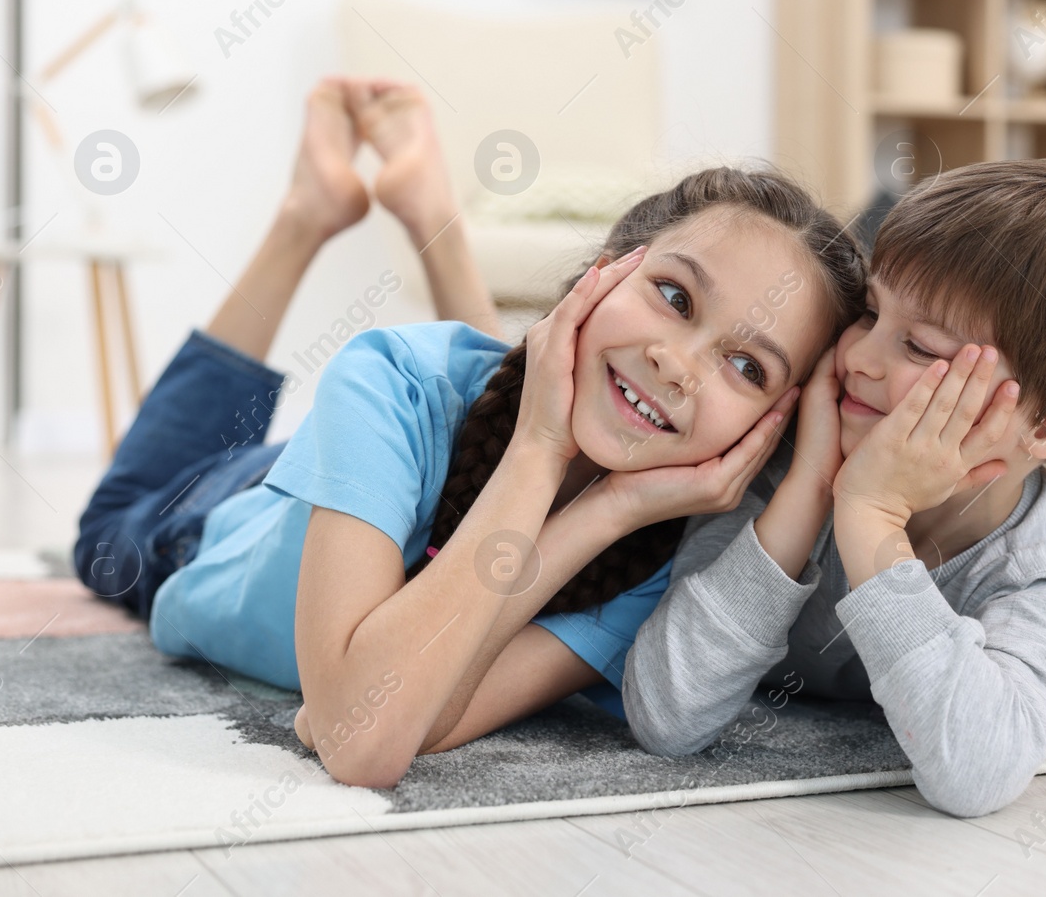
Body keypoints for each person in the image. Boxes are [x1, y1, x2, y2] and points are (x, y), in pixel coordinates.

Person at [73, 77, 867, 788]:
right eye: (675, 295)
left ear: (770, 428)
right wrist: (539, 445)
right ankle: (305, 216)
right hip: (220, 517)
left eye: (747, 367)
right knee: (106, 533)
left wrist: (605, 512)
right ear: (606, 269)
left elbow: (382, 724)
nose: (680, 364)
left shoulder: (647, 563)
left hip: (452, 459)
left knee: (522, 403)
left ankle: (428, 213)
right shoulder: (386, 375)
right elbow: (367, 735)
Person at [620, 159, 1046, 818]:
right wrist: (810, 489)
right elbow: (666, 711)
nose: (860, 357)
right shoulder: (783, 448)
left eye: (920, 347)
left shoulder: (1041, 566)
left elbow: (977, 773)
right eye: (870, 311)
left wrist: (872, 517)